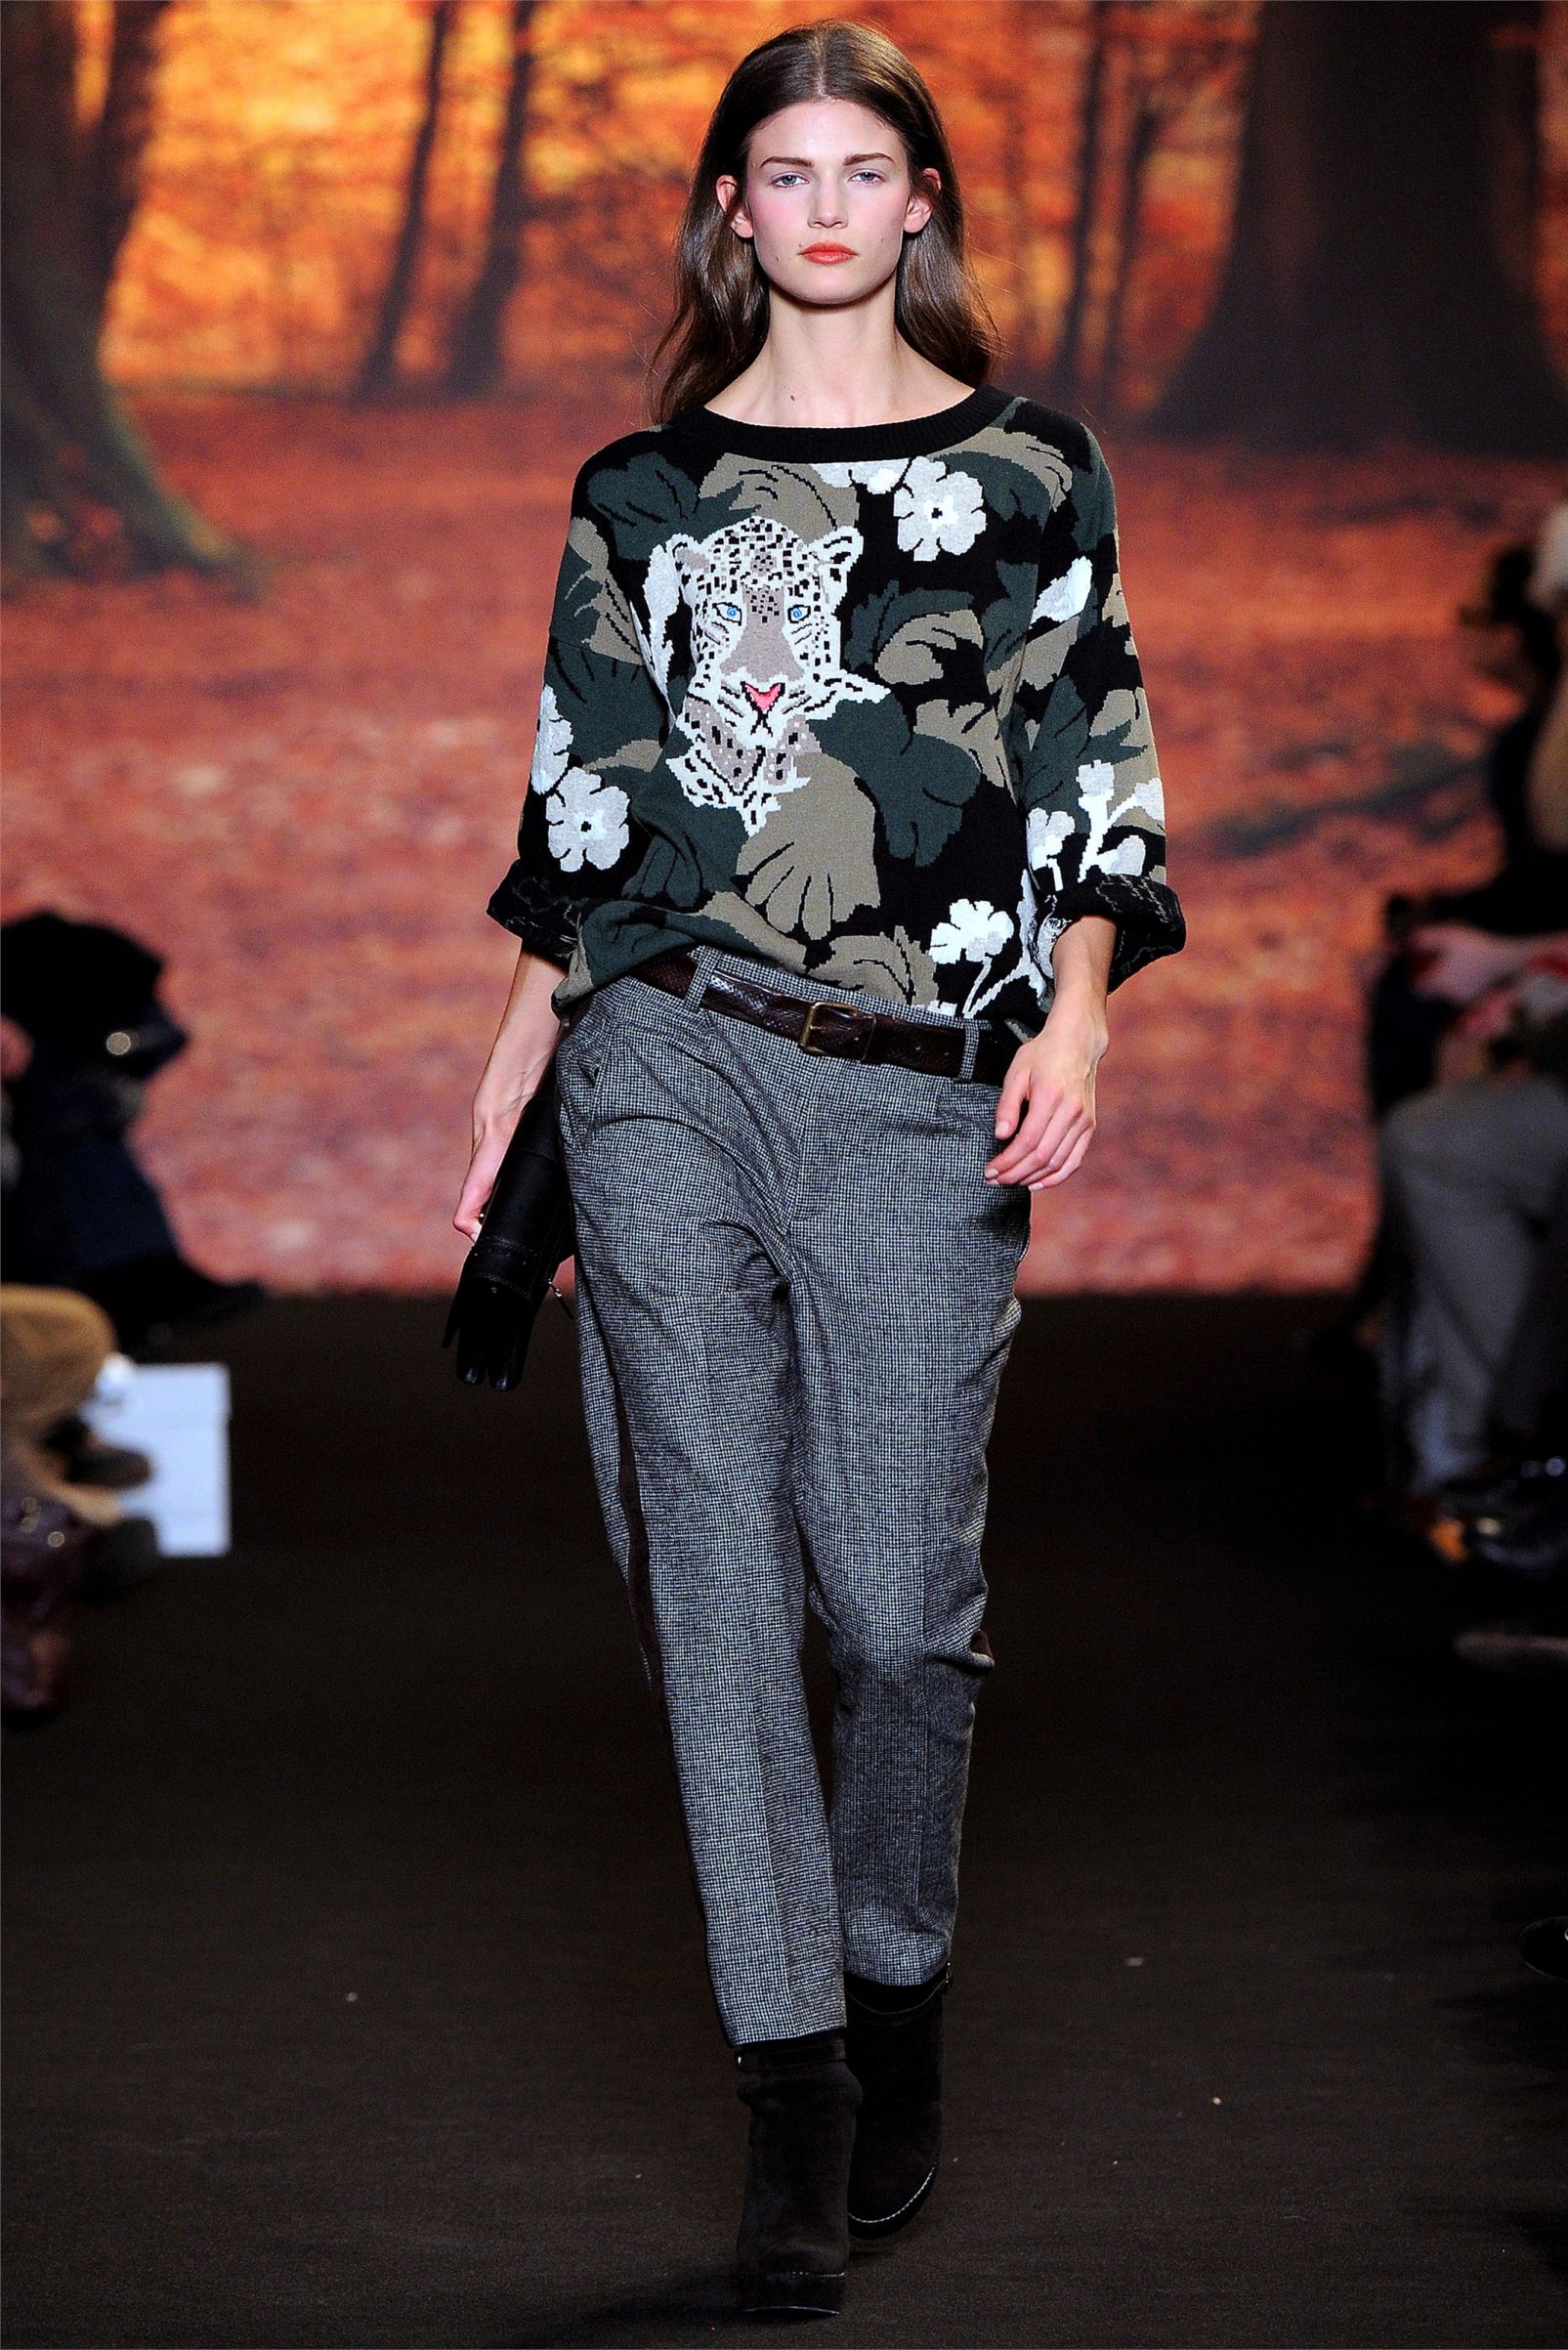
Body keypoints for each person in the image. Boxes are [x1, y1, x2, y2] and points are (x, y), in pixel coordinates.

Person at [455, 20, 1184, 2317]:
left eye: (865, 168)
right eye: (786, 172)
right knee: (708, 1583)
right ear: (732, 209)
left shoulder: (1031, 471)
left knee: (895, 1615)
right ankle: (787, 2095)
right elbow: (588, 796)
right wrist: (520, 1067)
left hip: (913, 1086)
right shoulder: (642, 490)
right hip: (664, 1060)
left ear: (921, 200)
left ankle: (889, 1986)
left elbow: (1092, 760)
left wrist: (1077, 1008)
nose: (828, 207)